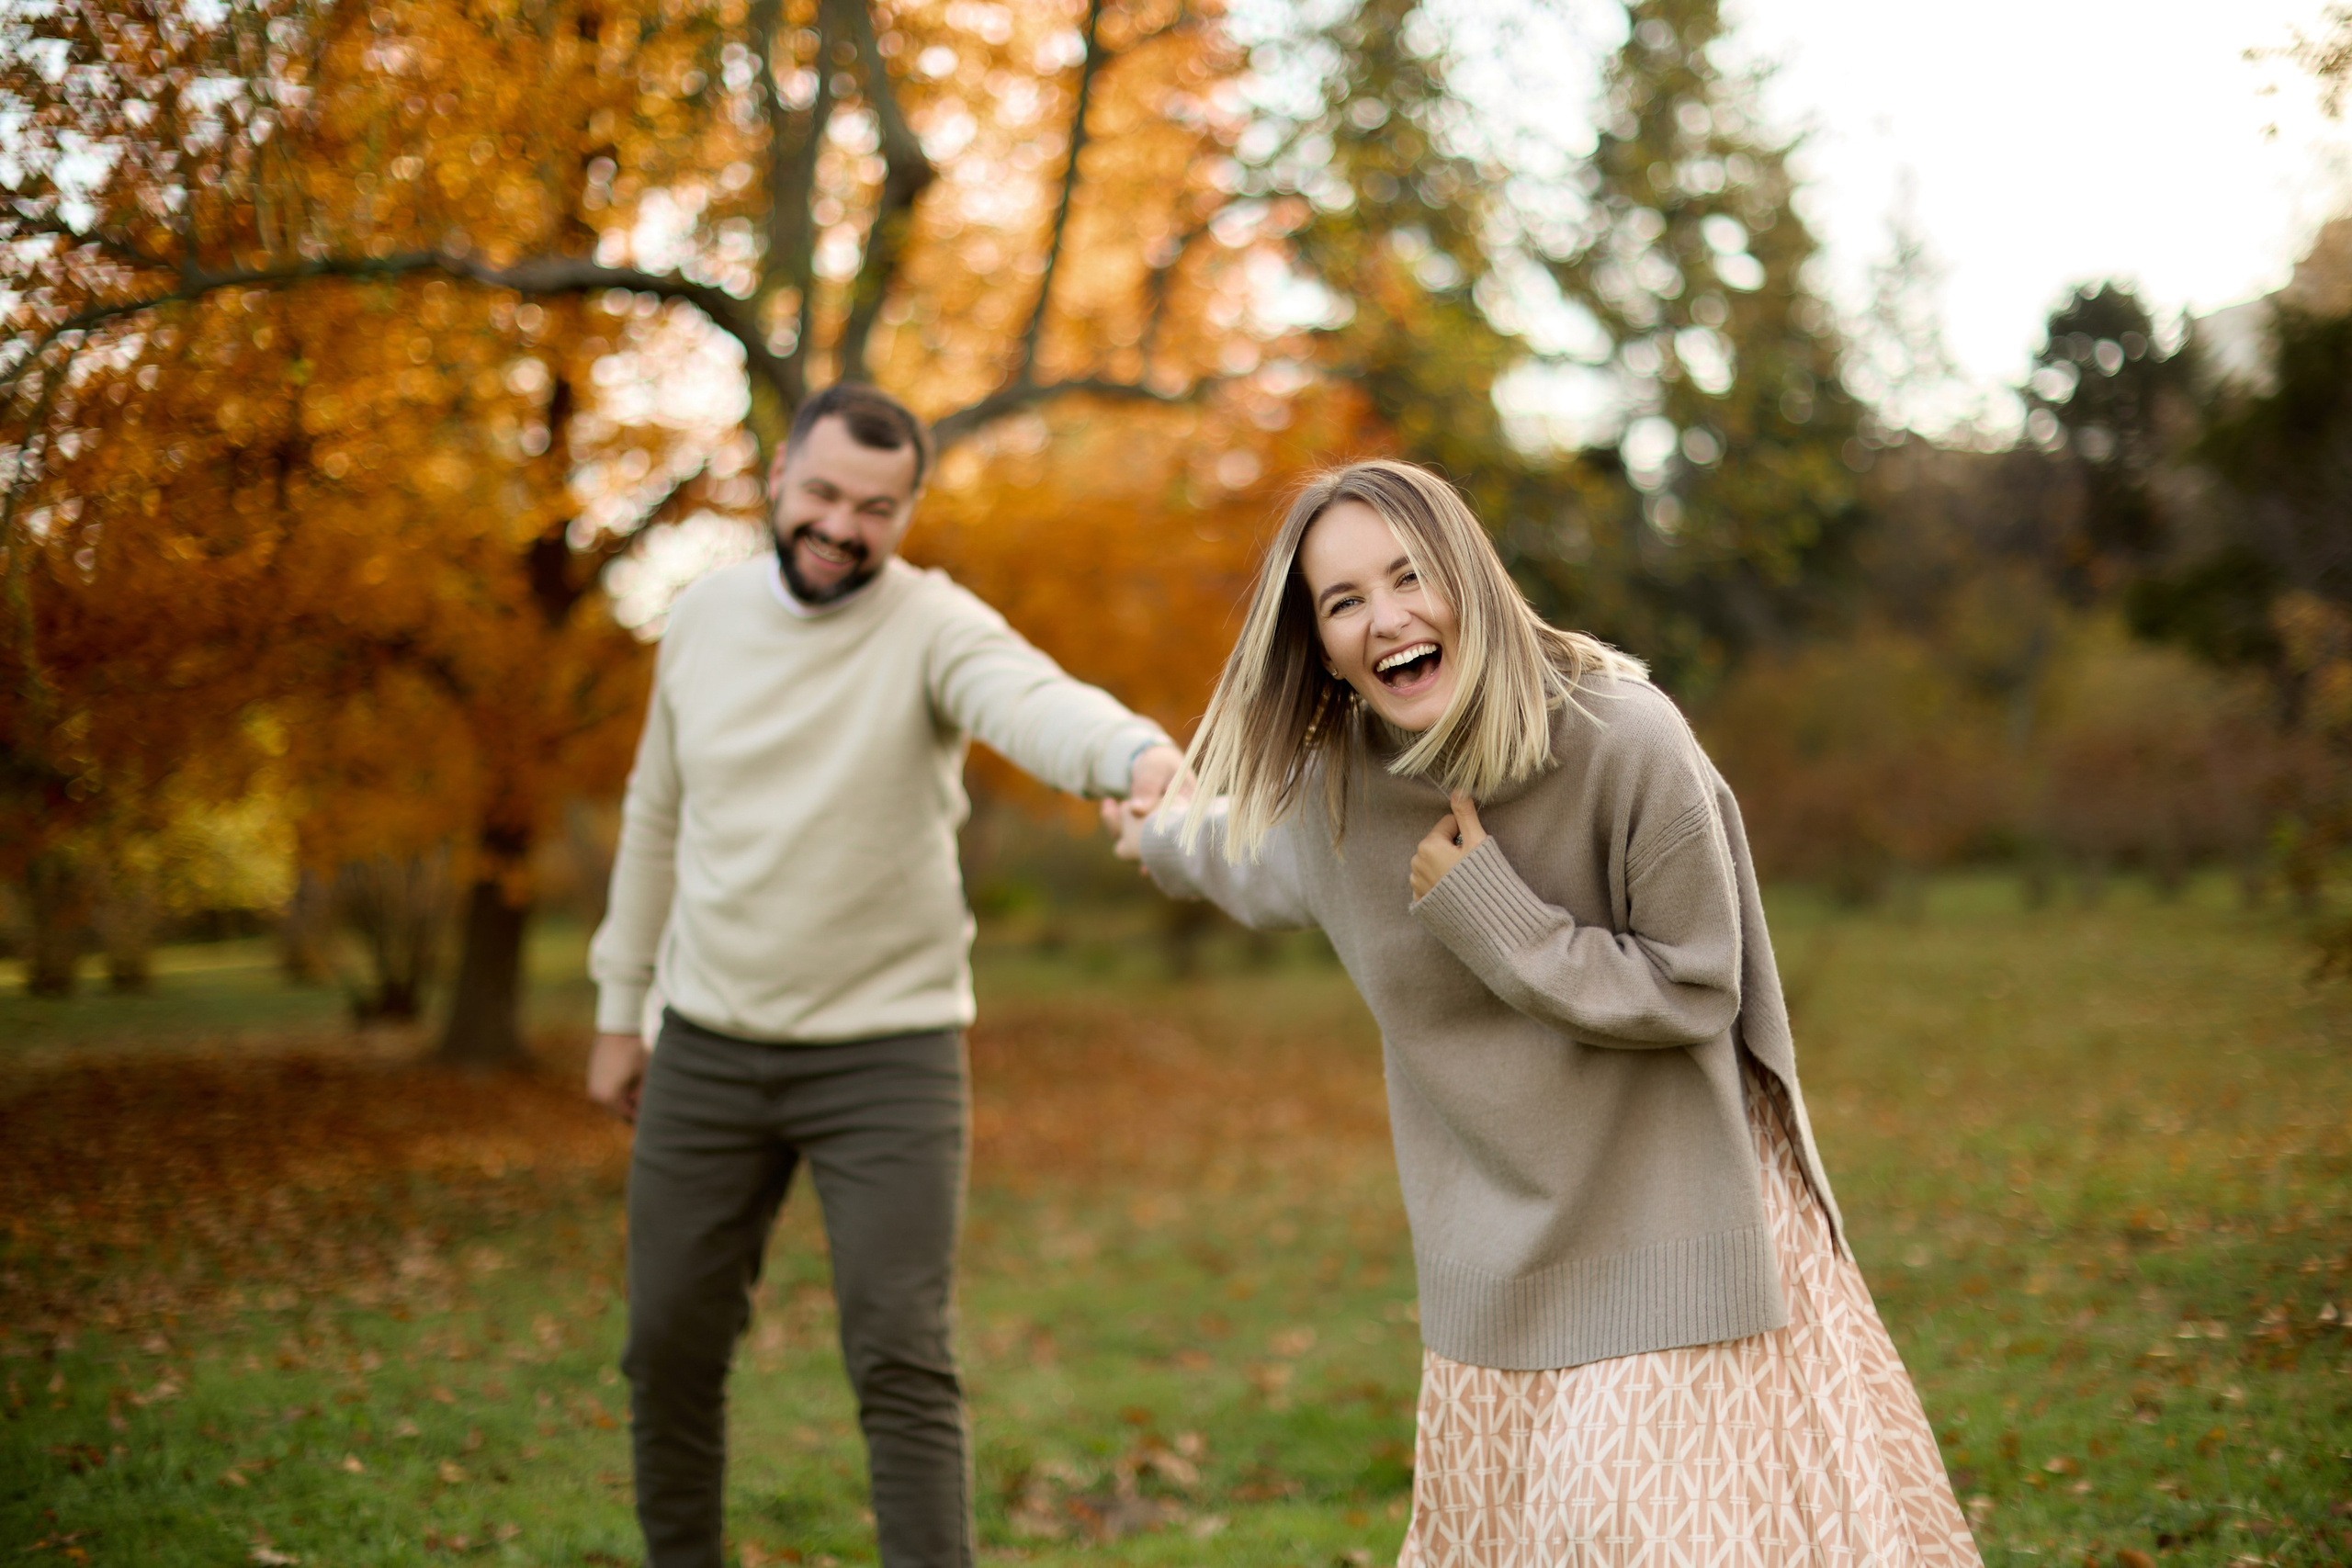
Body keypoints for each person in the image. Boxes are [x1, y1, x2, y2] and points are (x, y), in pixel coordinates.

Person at [1105, 459, 1979, 1568]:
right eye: (1343, 601)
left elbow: (1698, 982)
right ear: (1316, 644)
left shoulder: (1622, 739)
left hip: (1669, 1241)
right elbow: (1235, 855)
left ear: (1468, 577)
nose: (1387, 619)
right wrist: (1152, 834)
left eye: (1408, 576)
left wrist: (1499, 920)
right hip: (1493, 1288)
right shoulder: (1337, 793)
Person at [587, 381, 1182, 1568]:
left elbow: (1032, 698)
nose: (843, 527)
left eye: (877, 507)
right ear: (776, 478)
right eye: (821, 494)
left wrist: (1137, 751)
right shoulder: (700, 619)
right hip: (708, 1040)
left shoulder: (931, 623)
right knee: (668, 1343)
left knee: (902, 1351)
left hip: (887, 1055)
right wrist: (621, 1009)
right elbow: (657, 817)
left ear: (907, 510)